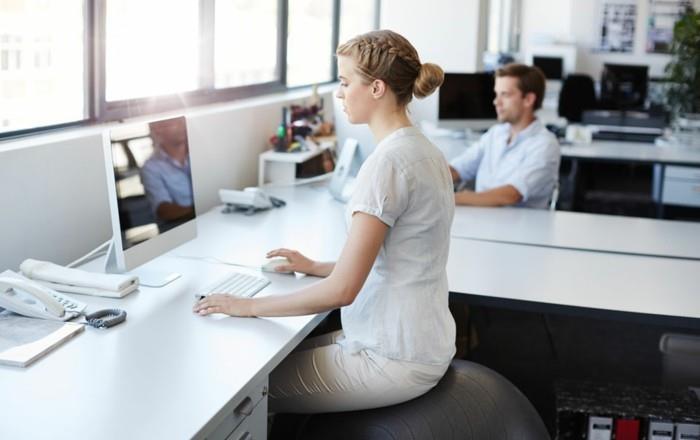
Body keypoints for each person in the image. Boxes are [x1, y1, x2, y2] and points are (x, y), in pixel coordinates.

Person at [193, 30, 456, 413]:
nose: (339, 93)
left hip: (392, 356)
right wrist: (315, 266)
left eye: (346, 82)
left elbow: (342, 292)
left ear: (377, 88)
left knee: (240, 390)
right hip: (419, 341)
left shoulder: (387, 164)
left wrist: (247, 305)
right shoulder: (424, 151)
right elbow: (397, 260)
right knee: (276, 355)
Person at [449, 63, 560, 208]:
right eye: (497, 94)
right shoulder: (496, 134)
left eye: (505, 95)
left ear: (528, 99)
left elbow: (511, 194)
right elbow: (457, 169)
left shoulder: (545, 144)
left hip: (518, 228)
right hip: (481, 221)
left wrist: (452, 199)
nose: (496, 102)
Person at [140, 118, 195, 225]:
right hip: (180, 230)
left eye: (182, 121)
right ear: (157, 129)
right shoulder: (150, 167)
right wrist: (201, 208)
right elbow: (163, 210)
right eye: (175, 121)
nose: (182, 125)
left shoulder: (200, 153)